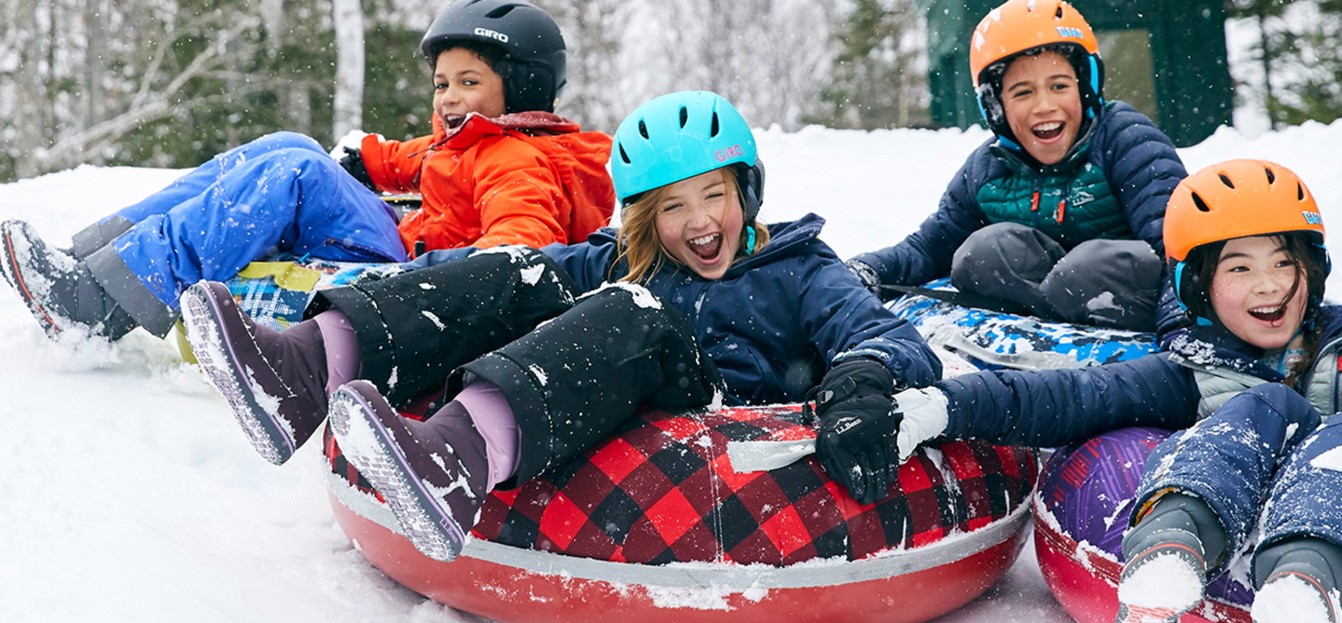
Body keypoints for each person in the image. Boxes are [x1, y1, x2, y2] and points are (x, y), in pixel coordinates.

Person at [179, 91, 942, 562]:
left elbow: (892, 339)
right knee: (525, 270)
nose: (701, 221)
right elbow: (520, 276)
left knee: (636, 310)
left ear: (748, 189)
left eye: (715, 194)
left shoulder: (802, 269)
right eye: (672, 207)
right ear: (646, 217)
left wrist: (863, 379)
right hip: (619, 400)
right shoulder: (625, 257)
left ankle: (457, 457)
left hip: (714, 413)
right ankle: (307, 368)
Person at [866, 160, 1342, 622]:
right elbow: (1070, 397)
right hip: (1221, 492)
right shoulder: (1192, 368)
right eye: (1239, 268)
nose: (1268, 286)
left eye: (1283, 263)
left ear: (1313, 270)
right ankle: (1169, 551)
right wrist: (947, 406)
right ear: (1199, 287)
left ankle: (1303, 587)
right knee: (1263, 405)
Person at [0, 0, 613, 343]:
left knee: (293, 172)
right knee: (292, 146)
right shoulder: (478, 140)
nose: (449, 97)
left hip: (404, 275)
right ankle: (94, 259)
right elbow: (412, 159)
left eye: (469, 82)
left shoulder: (517, 161)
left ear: (525, 85)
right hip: (398, 243)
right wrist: (358, 161)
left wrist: (437, 263)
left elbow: (520, 252)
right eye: (442, 83)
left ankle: (99, 304)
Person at [846, 0, 1186, 332]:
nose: (1044, 105)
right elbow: (929, 248)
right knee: (983, 253)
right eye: (1023, 93)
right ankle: (1041, 334)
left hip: (1132, 305)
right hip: (1049, 318)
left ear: (1086, 89)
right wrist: (868, 271)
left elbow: (1181, 249)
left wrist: (1181, 329)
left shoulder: (1127, 140)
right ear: (996, 107)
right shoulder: (987, 169)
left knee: (1084, 272)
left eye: (1059, 86)